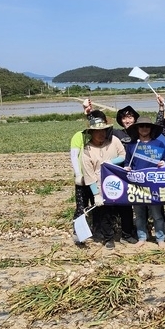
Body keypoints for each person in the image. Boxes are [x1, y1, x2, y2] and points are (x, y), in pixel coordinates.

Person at [125, 116, 165, 248]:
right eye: (141, 126)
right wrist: (127, 168)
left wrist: (163, 163)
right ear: (137, 128)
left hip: (154, 185)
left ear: (151, 128)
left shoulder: (158, 144)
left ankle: (160, 238)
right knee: (139, 214)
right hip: (137, 185)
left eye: (147, 126)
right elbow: (127, 162)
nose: (144, 129)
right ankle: (142, 237)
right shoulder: (132, 146)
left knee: (157, 214)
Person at [81, 111, 126, 249]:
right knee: (105, 212)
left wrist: (112, 162)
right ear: (91, 133)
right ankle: (108, 238)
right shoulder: (87, 151)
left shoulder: (114, 141)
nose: (101, 134)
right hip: (100, 186)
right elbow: (89, 176)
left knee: (123, 210)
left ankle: (127, 234)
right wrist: (96, 194)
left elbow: (123, 155)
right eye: (97, 132)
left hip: (117, 182)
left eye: (103, 131)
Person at [69, 98, 94, 244]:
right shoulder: (79, 136)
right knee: (81, 205)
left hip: (96, 177)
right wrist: (78, 174)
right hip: (83, 177)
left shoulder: (101, 136)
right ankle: (78, 232)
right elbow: (73, 155)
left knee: (96, 206)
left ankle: (96, 230)